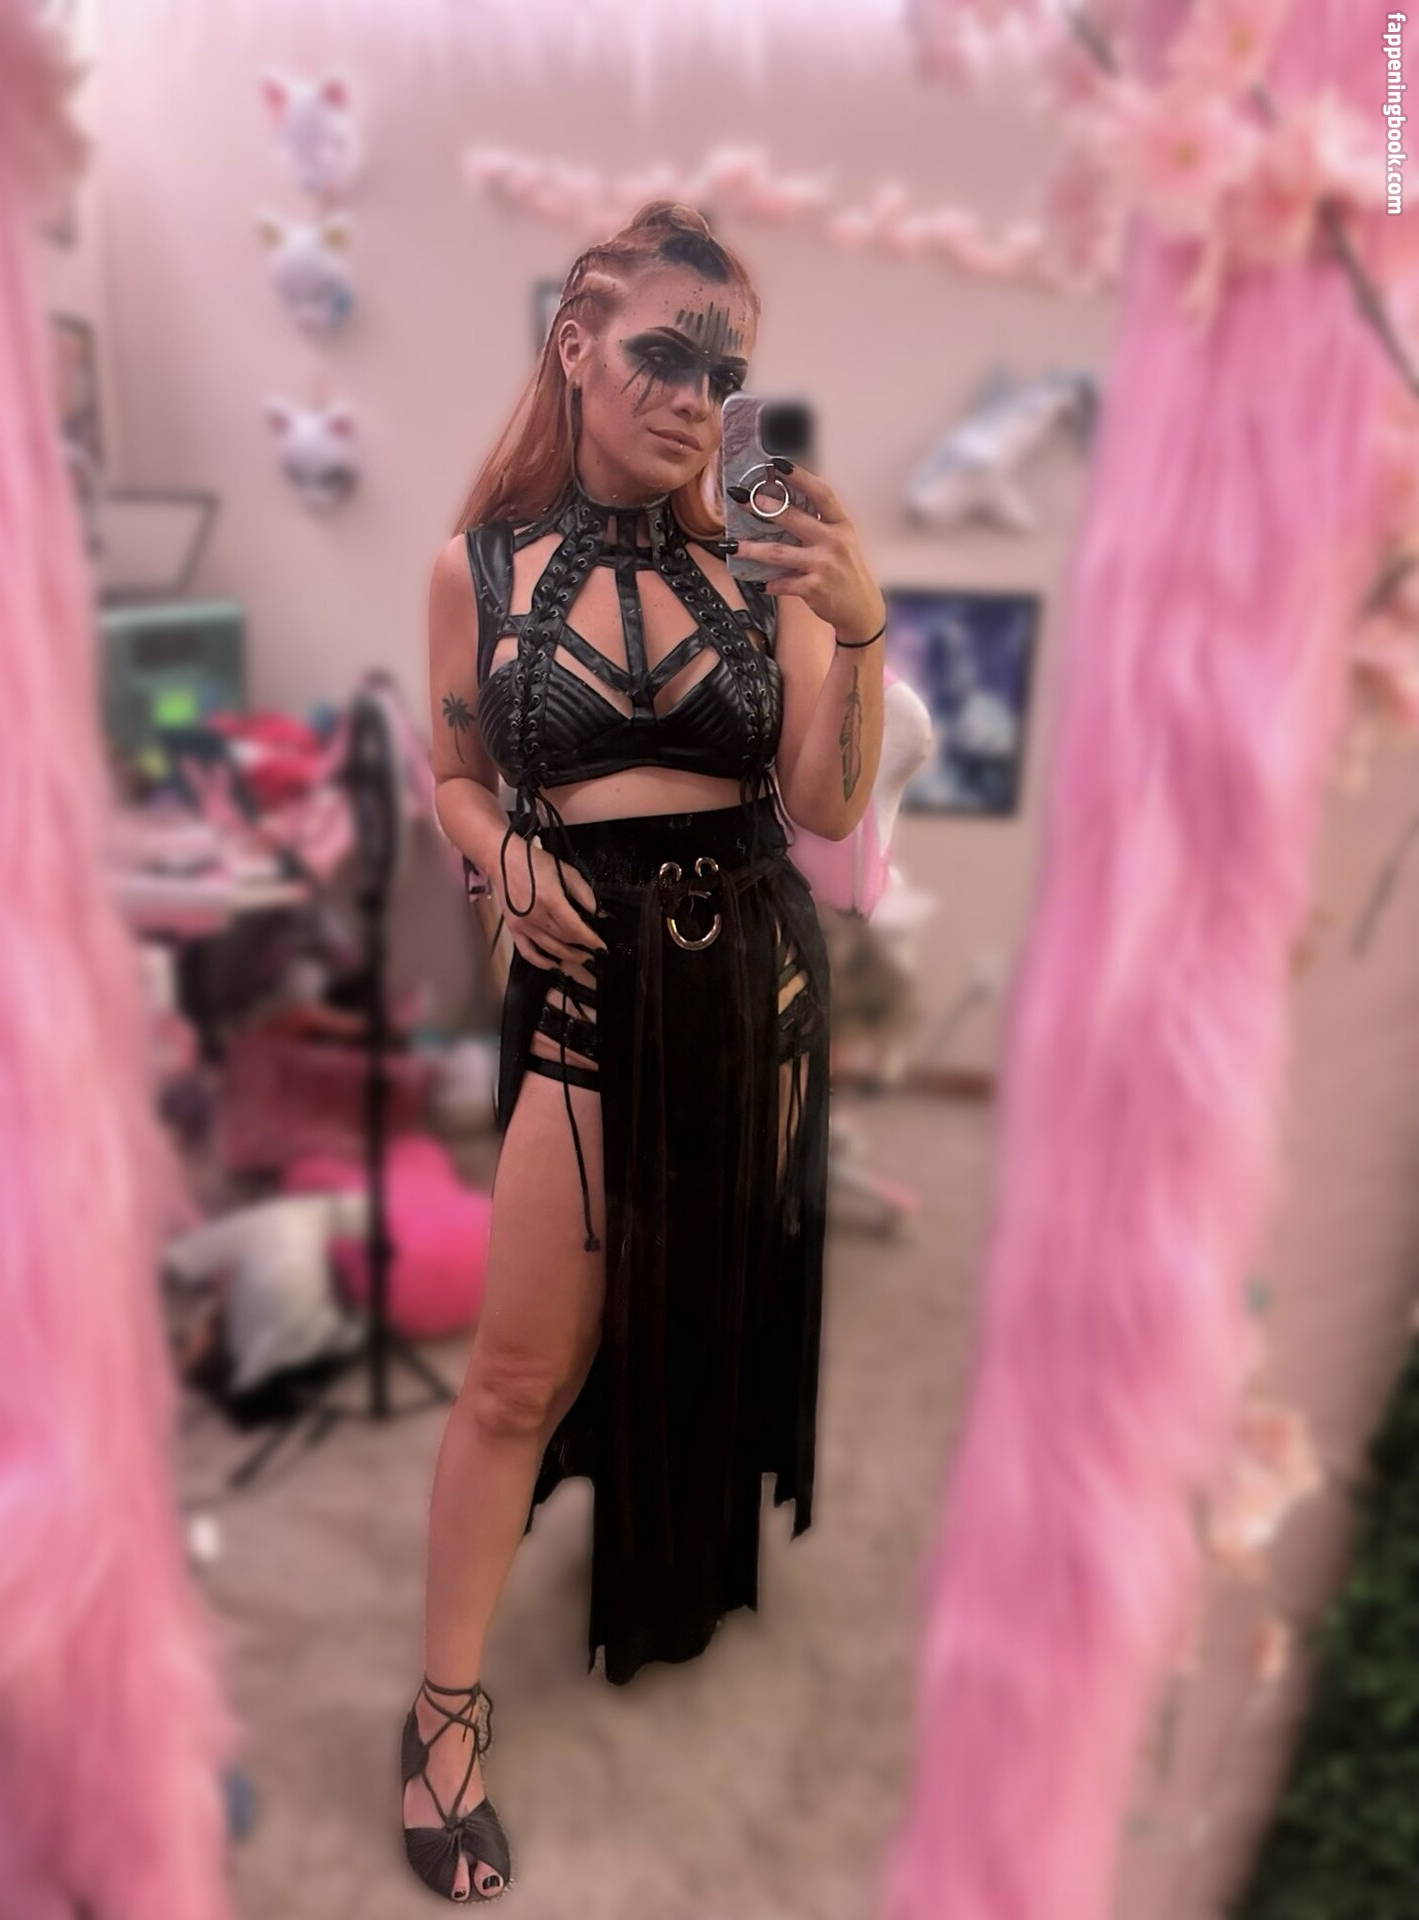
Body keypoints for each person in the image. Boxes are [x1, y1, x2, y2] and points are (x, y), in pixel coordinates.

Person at [402, 199, 887, 1902]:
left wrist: (860, 625)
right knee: (517, 1372)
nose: (694, 396)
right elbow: (458, 770)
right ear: (577, 344)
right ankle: (442, 1715)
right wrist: (496, 851)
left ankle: (671, 1559)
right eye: (664, 353)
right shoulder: (474, 573)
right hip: (587, 974)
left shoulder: (771, 568)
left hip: (748, 971)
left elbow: (826, 803)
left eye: (724, 371)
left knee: (698, 1315)